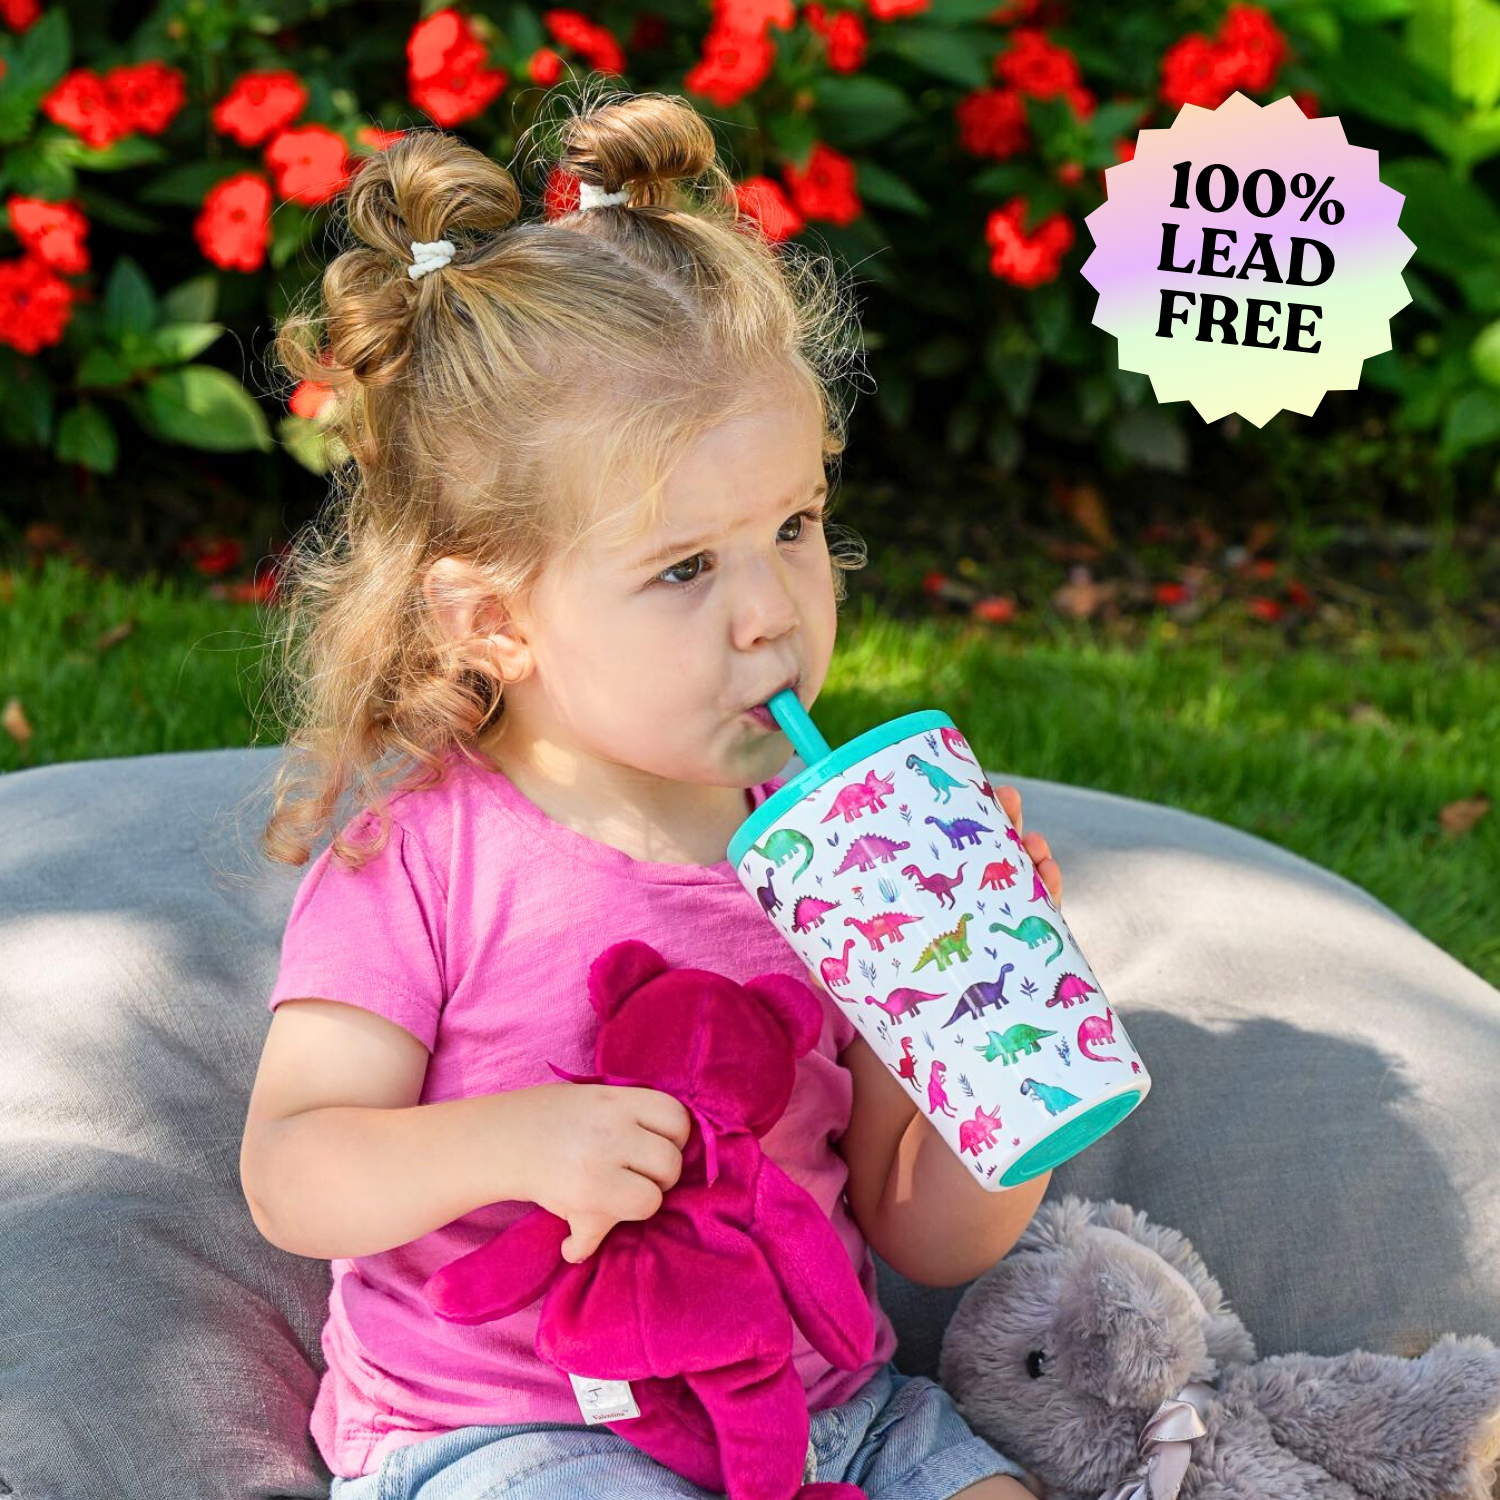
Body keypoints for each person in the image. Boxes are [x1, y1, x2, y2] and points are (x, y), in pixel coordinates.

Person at [239, 83, 1063, 1500]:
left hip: (829, 1411)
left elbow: (924, 1236)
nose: (772, 613)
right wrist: (513, 1141)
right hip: (514, 1432)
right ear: (494, 620)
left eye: (795, 527)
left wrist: (1001, 1041)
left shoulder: (838, 855)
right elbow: (292, 1172)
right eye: (686, 567)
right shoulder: (424, 857)